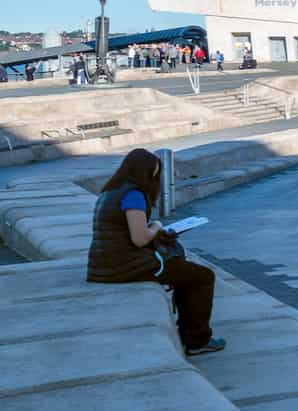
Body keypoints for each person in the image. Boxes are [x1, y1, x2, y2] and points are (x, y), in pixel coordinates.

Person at [87, 148, 223, 356]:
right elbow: (140, 238)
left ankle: (190, 334)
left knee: (185, 273)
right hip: (125, 267)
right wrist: (157, 226)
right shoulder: (133, 195)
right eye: (154, 174)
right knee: (203, 277)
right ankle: (196, 340)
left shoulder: (111, 191)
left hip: (106, 264)